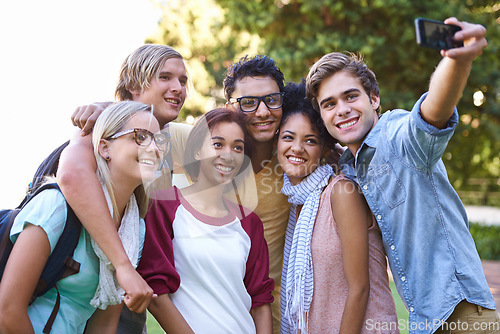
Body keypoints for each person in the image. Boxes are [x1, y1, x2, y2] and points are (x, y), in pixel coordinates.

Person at [305, 18, 499, 333]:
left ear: (374, 99)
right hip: (423, 320)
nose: (341, 109)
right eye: (329, 104)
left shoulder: (397, 135)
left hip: (462, 315)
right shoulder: (350, 166)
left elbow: (432, 115)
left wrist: (455, 60)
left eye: (351, 96)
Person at [0, 101, 165, 333]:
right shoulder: (56, 206)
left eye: (159, 141)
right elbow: (7, 312)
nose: (154, 149)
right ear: (104, 148)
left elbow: (105, 325)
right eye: (140, 137)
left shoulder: (133, 229)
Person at [57, 44, 192, 321]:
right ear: (133, 85)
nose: (178, 87)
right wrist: (123, 267)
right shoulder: (104, 128)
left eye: (183, 80)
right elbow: (72, 175)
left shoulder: (169, 144)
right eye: (165, 77)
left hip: (128, 305)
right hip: (80, 295)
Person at [137, 108, 274, 333]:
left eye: (237, 147)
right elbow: (156, 292)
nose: (228, 155)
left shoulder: (250, 223)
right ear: (198, 151)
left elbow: (260, 301)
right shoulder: (163, 208)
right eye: (218, 144)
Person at [277, 81, 398, 333]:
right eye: (288, 137)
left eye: (310, 140)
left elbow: (360, 288)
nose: (297, 148)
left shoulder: (341, 192)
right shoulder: (296, 204)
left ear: (324, 149)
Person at [224, 55, 291, 332]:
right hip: (218, 314)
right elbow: (150, 132)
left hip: (278, 317)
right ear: (230, 107)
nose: (263, 112)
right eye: (249, 103)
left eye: (272, 100)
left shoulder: (297, 160)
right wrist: (104, 110)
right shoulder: (205, 155)